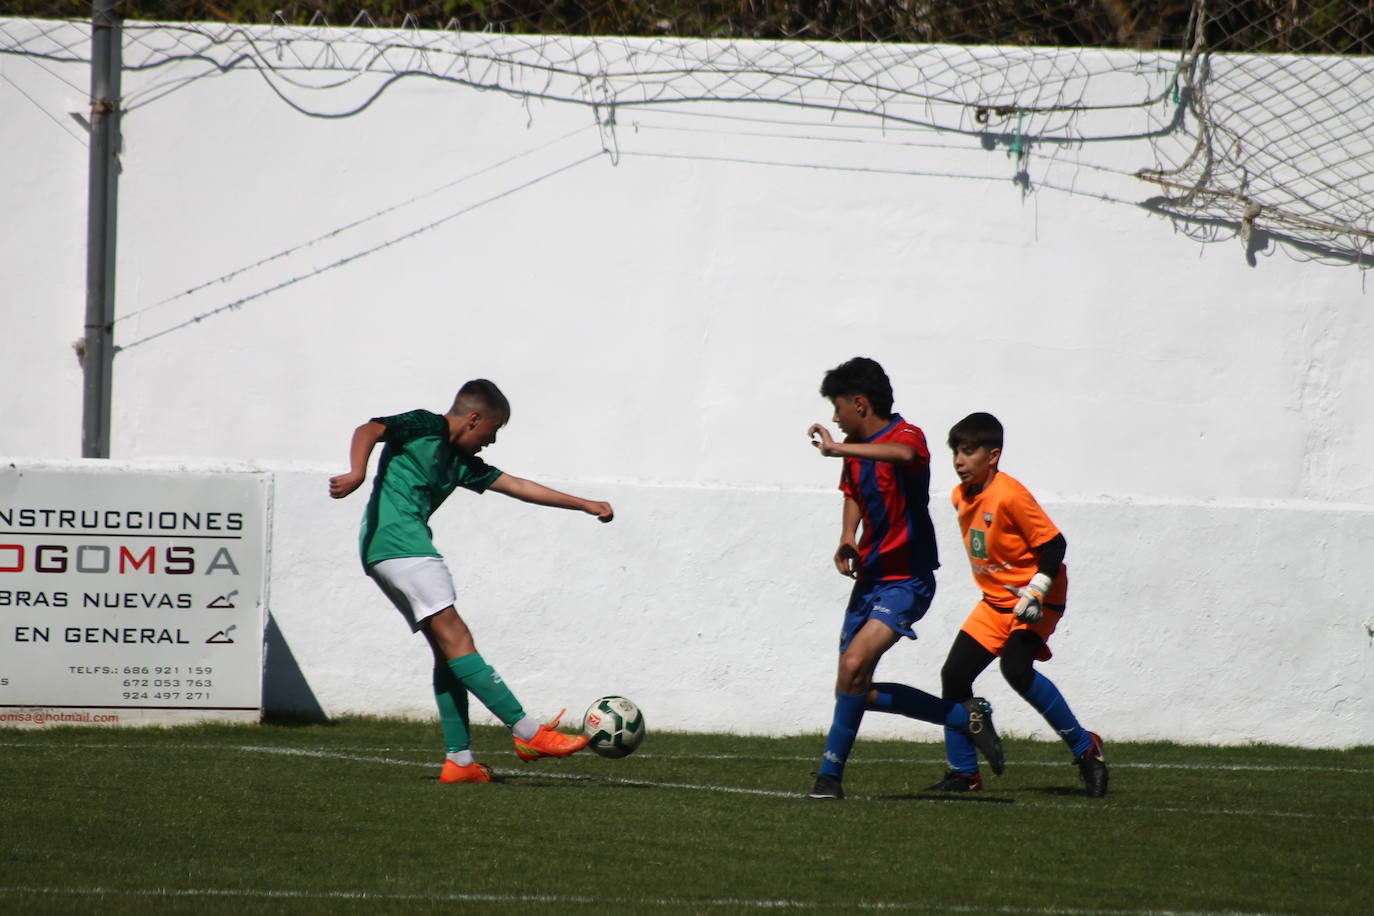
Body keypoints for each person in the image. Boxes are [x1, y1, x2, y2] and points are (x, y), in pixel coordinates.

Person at [329, 379, 614, 784]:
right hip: (404, 547)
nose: (491, 441)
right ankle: (529, 733)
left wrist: (584, 504)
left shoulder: (460, 462)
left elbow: (518, 486)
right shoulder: (424, 425)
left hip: (383, 550)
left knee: (448, 654)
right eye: (492, 431)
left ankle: (459, 762)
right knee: (459, 638)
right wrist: (357, 471)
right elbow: (370, 429)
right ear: (474, 418)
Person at [804, 358, 1004, 800]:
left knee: (854, 667)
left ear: (860, 403)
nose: (835, 418)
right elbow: (853, 493)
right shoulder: (855, 447)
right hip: (870, 578)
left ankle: (828, 778)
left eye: (839, 408)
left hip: (908, 579)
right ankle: (963, 718)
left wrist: (839, 448)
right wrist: (846, 536)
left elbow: (906, 457)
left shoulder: (905, 435)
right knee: (852, 685)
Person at [929, 411, 1108, 798]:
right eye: (956, 452)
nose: (959, 460)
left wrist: (1037, 590)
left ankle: (1085, 749)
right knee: (955, 677)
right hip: (995, 604)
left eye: (969, 451)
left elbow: (1055, 546)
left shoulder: (1010, 494)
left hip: (1037, 599)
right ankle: (963, 773)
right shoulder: (960, 496)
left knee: (1016, 667)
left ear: (992, 456)